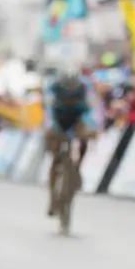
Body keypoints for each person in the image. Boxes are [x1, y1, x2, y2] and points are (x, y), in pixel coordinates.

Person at [43, 68, 99, 216]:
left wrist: (92, 127)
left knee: (85, 139)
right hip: (59, 118)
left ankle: (78, 166)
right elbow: (48, 111)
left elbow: (94, 109)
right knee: (55, 157)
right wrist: (50, 128)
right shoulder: (52, 86)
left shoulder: (85, 86)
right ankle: (53, 199)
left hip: (77, 116)